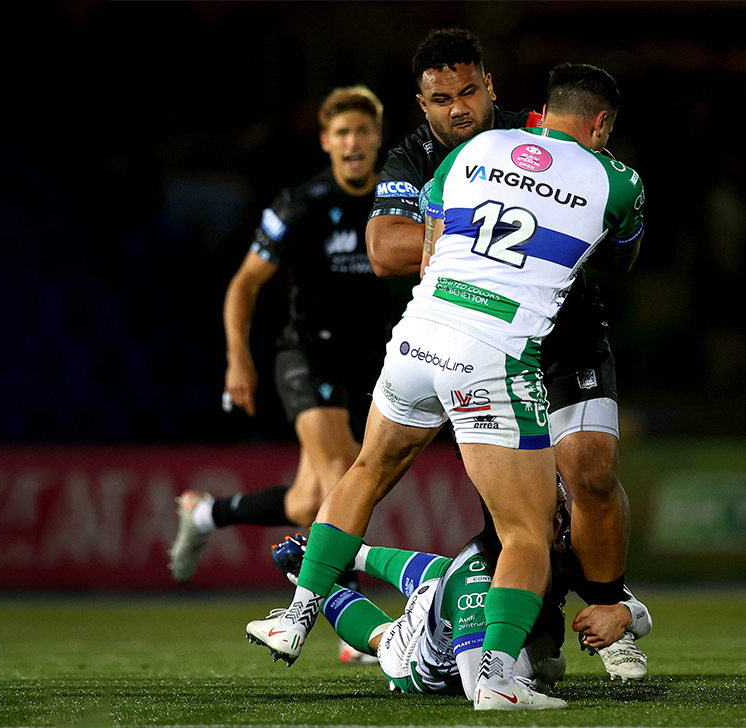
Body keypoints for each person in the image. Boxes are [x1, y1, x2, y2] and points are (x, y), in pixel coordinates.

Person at [246, 62, 644, 712]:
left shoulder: (474, 151)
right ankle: (497, 680)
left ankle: (295, 616)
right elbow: (620, 257)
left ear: (543, 113)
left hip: (417, 336)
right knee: (525, 531)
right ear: (600, 124)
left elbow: (431, 234)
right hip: (491, 350)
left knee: (366, 469)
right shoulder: (615, 178)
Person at [364, 29, 646, 679]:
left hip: (566, 338)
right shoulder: (413, 157)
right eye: (443, 99)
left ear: (490, 87)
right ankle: (537, 632)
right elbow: (382, 248)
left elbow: (615, 238)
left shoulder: (536, 136)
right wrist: (474, 238)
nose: (459, 108)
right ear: (423, 105)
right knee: (525, 510)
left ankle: (612, 610)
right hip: (478, 341)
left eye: (469, 91)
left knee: (590, 471)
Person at [168, 85, 392, 664]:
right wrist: (237, 358)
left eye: (361, 131)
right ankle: (352, 630)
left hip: (365, 361)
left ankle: (205, 514)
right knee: (344, 471)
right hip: (306, 354)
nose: (352, 142)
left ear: (376, 138)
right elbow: (244, 283)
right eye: (341, 133)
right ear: (326, 142)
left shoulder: (399, 200)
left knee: (307, 500)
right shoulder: (300, 203)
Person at [249, 481, 651, 702]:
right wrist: (533, 668)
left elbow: (639, 614)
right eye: (555, 512)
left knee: (442, 574)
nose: (565, 519)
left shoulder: (563, 549)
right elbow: (482, 686)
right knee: (385, 640)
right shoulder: (478, 582)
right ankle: (309, 580)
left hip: (449, 588)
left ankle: (348, 557)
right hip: (427, 660)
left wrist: (623, 614)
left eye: (564, 507)